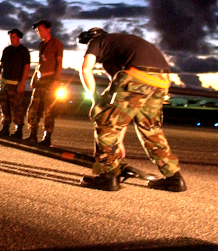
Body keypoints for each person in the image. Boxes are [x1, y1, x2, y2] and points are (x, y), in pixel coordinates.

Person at [77, 27, 186, 192]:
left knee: (104, 120)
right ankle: (174, 178)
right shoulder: (120, 47)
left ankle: (108, 176)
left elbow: (85, 69)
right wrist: (119, 141)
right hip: (162, 78)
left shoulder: (97, 40)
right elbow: (122, 111)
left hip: (138, 73)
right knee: (150, 128)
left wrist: (95, 100)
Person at [25, 20, 63, 146]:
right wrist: (34, 77)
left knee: (49, 110)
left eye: (40, 30)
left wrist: (56, 80)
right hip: (40, 80)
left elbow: (59, 64)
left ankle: (47, 137)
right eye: (37, 31)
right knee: (33, 108)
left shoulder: (56, 44)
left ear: (48, 29)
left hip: (50, 80)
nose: (39, 33)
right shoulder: (41, 45)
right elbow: (39, 63)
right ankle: (32, 134)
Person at [0, 28, 30, 137]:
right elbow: (1, 67)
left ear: (18, 38)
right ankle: (5, 128)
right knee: (4, 106)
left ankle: (18, 130)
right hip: (5, 83)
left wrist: (22, 83)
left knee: (17, 108)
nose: (12, 39)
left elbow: (26, 67)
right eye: (11, 37)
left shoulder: (23, 51)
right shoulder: (7, 50)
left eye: (14, 37)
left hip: (15, 84)